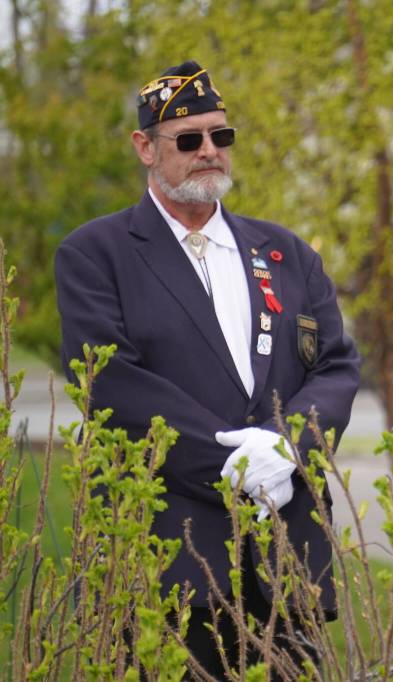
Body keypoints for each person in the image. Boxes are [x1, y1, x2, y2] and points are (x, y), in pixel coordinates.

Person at [55, 61, 361, 676]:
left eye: (221, 137)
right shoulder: (96, 254)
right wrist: (232, 462)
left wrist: (287, 446)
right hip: (166, 559)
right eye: (188, 140)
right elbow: (110, 381)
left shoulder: (284, 251)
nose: (209, 152)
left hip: (285, 556)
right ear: (145, 147)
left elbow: (335, 366)